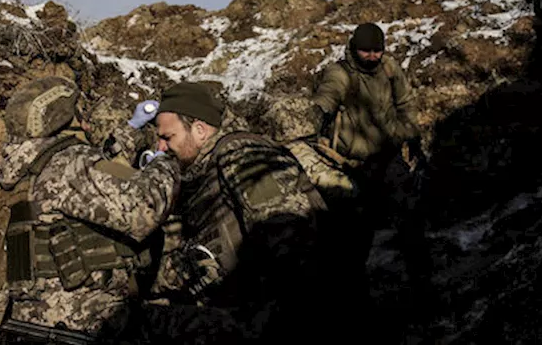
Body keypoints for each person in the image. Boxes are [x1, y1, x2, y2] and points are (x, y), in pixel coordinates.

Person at [0, 77, 177, 337]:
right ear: (62, 119)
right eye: (78, 113)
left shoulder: (29, 170)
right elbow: (145, 210)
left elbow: (98, 170)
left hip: (37, 320)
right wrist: (164, 160)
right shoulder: (69, 164)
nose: (85, 121)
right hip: (88, 321)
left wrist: (132, 128)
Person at [147, 81, 325, 341]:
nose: (160, 148)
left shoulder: (241, 155)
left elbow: (294, 242)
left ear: (199, 130)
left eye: (167, 137)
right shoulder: (204, 170)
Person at [312, 22, 430, 310]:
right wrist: (317, 114)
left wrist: (412, 136)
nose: (373, 56)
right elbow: (326, 97)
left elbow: (405, 102)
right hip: (353, 167)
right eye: (367, 51)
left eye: (378, 50)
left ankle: (424, 289)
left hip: (390, 159)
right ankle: (357, 305)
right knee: (355, 239)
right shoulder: (340, 73)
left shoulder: (389, 68)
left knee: (411, 226)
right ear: (354, 49)